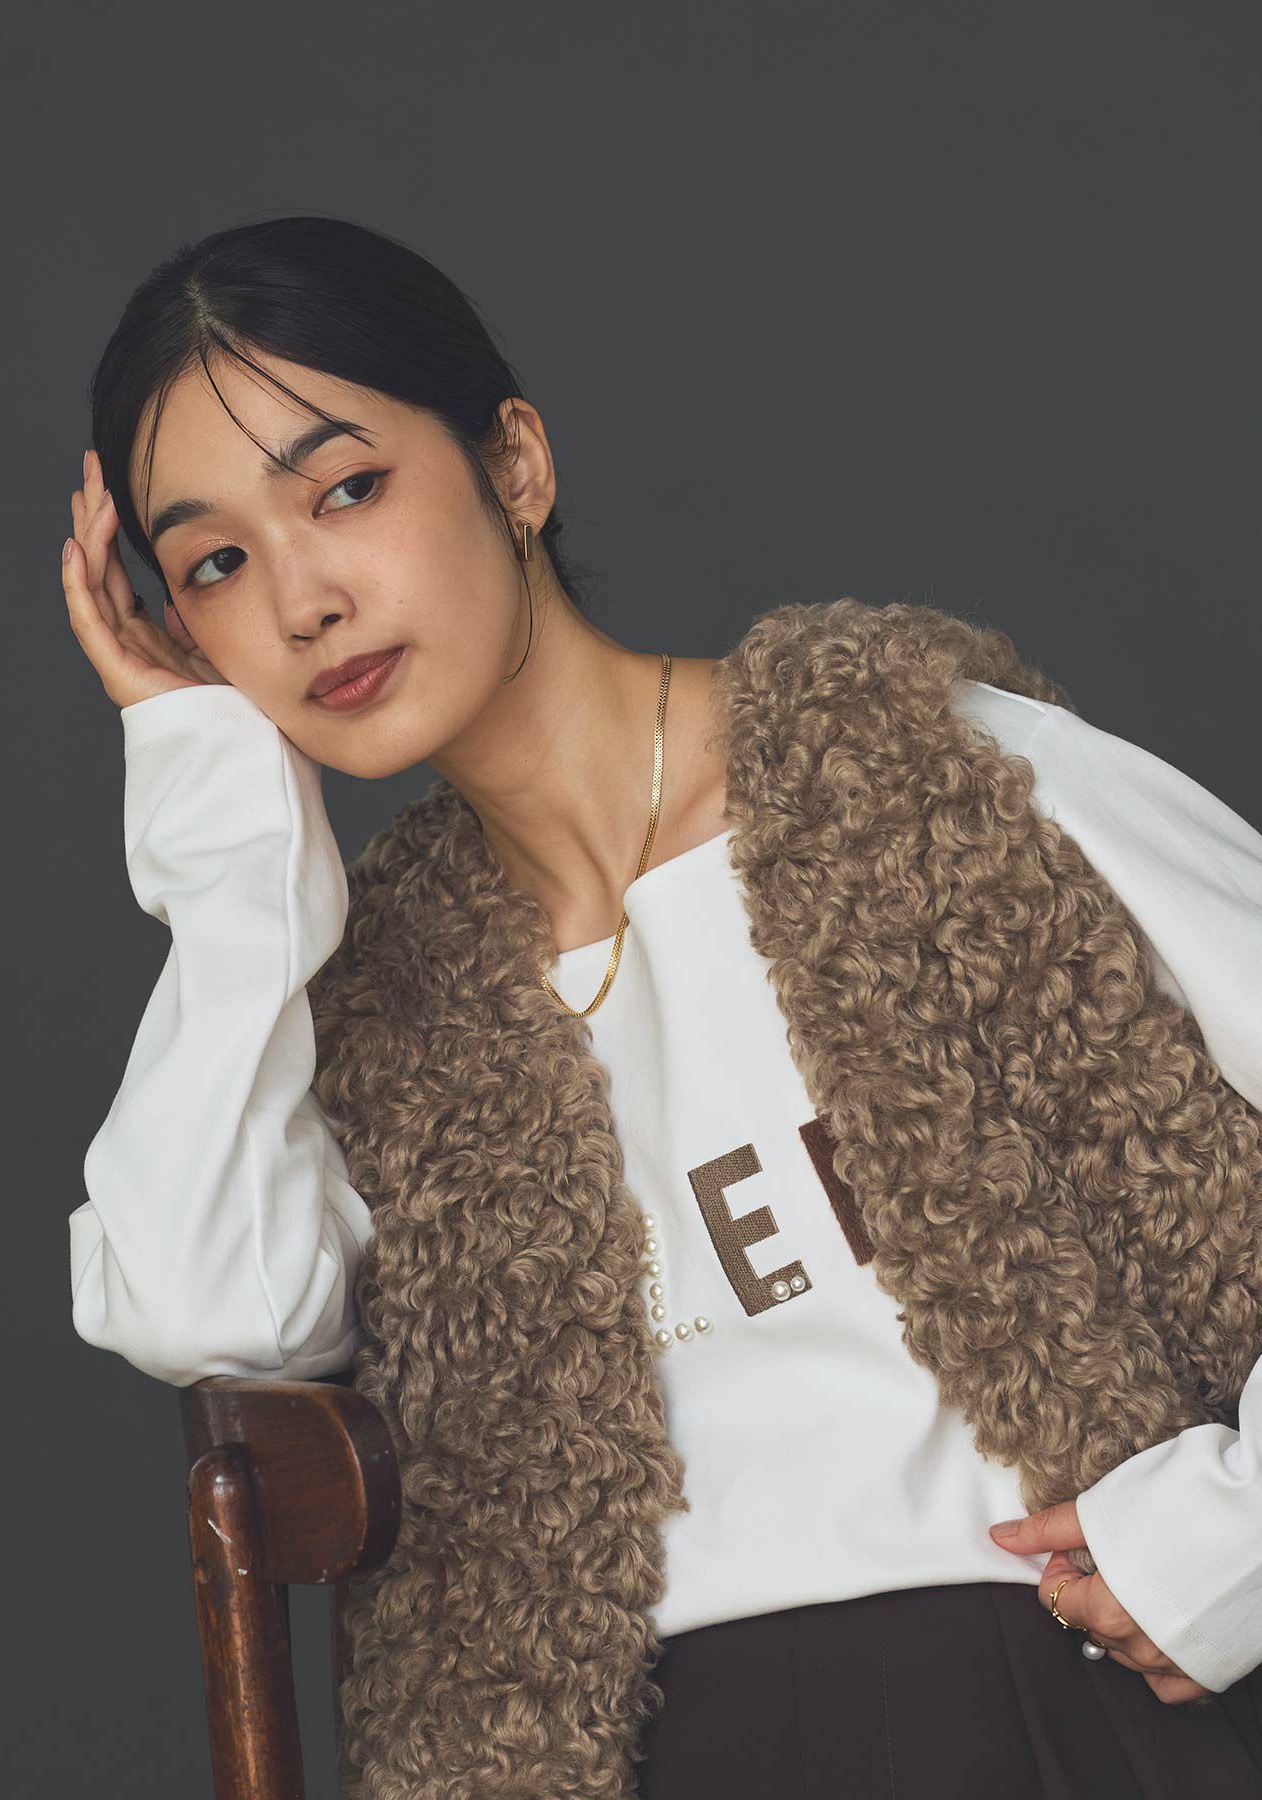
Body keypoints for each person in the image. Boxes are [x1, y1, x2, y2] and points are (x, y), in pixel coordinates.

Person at [62, 214, 1262, 1798]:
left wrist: (1238, 1538)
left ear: (514, 465)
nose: (300, 601)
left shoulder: (919, 775)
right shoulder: (368, 1017)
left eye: (344, 489)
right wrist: (224, 848)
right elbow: (200, 1310)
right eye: (214, 562)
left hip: (1056, 1718)